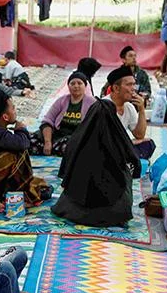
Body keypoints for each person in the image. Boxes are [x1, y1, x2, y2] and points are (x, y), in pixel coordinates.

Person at [51, 78, 142, 227]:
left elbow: (65, 171)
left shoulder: (77, 140)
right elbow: (135, 163)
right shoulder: (117, 142)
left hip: (76, 208)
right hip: (113, 212)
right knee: (124, 173)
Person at [31, 72, 96, 156]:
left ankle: (52, 149)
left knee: (69, 147)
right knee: (30, 140)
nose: (76, 86)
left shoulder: (92, 103)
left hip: (77, 137)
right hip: (58, 134)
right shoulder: (61, 101)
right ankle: (52, 147)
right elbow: (48, 120)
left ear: (85, 86)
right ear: (68, 86)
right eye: (72, 83)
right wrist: (47, 142)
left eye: (79, 83)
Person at [102, 66, 156, 159]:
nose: (133, 89)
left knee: (148, 144)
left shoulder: (128, 107)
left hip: (121, 148)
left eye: (134, 84)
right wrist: (128, 143)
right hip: (104, 150)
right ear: (116, 88)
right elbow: (104, 140)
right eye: (129, 85)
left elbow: (139, 135)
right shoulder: (103, 106)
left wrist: (141, 109)